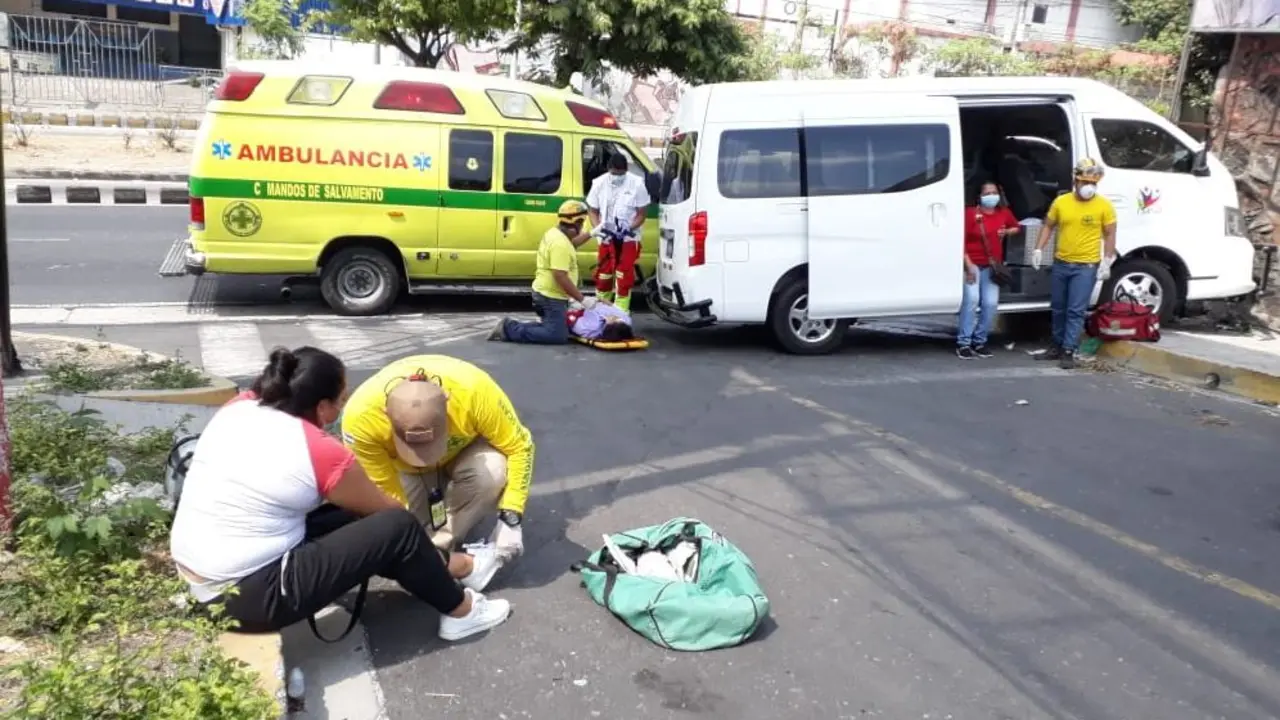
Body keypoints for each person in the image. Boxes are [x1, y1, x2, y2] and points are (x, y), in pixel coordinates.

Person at [169, 347, 511, 641]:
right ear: (321, 408)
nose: (343, 408)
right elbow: (390, 516)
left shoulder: (240, 406)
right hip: (249, 597)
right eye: (341, 399)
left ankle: (460, 567)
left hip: (203, 578)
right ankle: (462, 611)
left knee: (351, 517)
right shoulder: (318, 449)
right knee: (397, 526)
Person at [340, 355, 534, 581]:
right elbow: (384, 492)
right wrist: (401, 529)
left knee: (493, 471)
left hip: (464, 454)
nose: (425, 457)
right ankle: (430, 554)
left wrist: (511, 515)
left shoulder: (474, 391)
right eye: (413, 445)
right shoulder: (361, 418)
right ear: (386, 415)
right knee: (394, 529)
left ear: (447, 402)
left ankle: (438, 555)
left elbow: (521, 447)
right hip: (403, 471)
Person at [1032, 158, 1118, 369]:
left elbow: (1110, 234)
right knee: (1058, 308)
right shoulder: (1061, 203)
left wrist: (1107, 260)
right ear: (1075, 181)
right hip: (1061, 263)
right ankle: (1057, 345)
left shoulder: (1104, 206)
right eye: (1084, 182)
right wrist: (1038, 249)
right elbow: (1048, 226)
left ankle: (1069, 349)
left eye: (1093, 183)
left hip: (1086, 266)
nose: (1089, 187)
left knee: (1075, 310)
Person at [491, 200, 600, 345]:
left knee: (556, 329)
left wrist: (592, 233)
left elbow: (572, 244)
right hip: (550, 298)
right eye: (582, 222)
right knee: (556, 336)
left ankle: (514, 326)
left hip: (550, 294)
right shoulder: (560, 244)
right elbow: (560, 275)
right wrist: (582, 299)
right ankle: (508, 328)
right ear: (577, 222)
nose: (582, 226)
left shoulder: (557, 234)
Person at [958, 182, 1020, 359]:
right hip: (972, 264)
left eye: (994, 192)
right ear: (979, 196)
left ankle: (980, 341)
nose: (991, 196)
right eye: (987, 193)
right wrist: (968, 265)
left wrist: (1006, 232)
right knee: (971, 301)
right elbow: (960, 241)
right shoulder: (970, 214)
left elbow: (1017, 227)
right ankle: (964, 343)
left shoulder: (1004, 213)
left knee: (991, 304)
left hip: (992, 266)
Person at [587, 152, 651, 312]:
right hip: (606, 238)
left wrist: (630, 228)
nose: (617, 177)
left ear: (626, 170)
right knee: (603, 275)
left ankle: (621, 313)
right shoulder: (599, 183)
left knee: (624, 276)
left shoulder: (637, 184)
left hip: (628, 239)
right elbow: (592, 210)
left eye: (621, 174)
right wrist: (598, 228)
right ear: (609, 170)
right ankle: (600, 311)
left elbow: (641, 214)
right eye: (615, 173)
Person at [567, 301, 636, 341]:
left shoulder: (590, 328)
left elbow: (571, 318)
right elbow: (612, 306)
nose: (615, 317)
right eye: (619, 320)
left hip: (580, 305)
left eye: (614, 320)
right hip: (597, 302)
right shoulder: (626, 320)